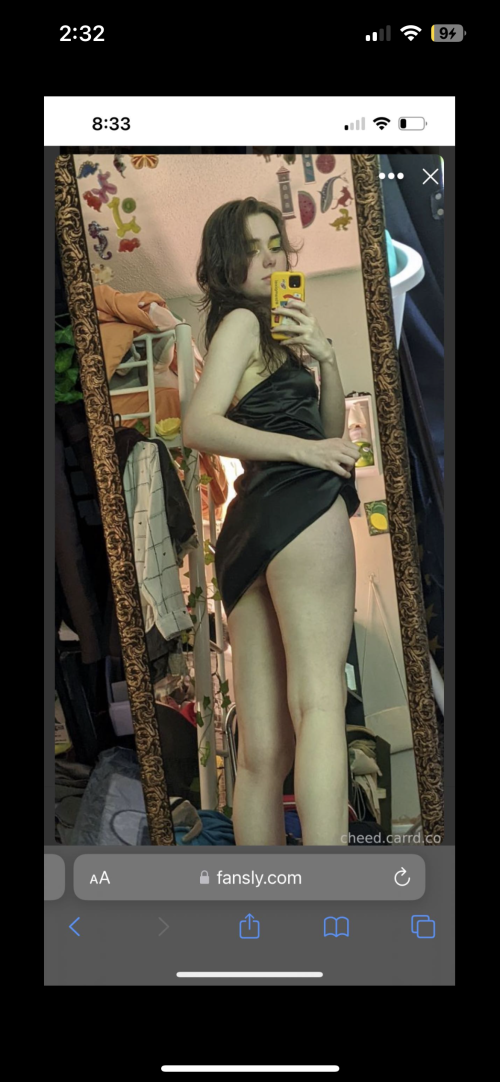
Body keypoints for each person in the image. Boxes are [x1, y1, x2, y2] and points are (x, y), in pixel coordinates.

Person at [183, 197, 361, 845]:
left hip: (248, 531)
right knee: (319, 705)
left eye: (275, 244)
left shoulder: (272, 333)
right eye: (252, 248)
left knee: (261, 753)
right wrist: (305, 452)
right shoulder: (241, 323)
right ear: (226, 262)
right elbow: (200, 426)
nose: (269, 258)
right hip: (300, 510)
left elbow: (331, 433)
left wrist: (325, 357)